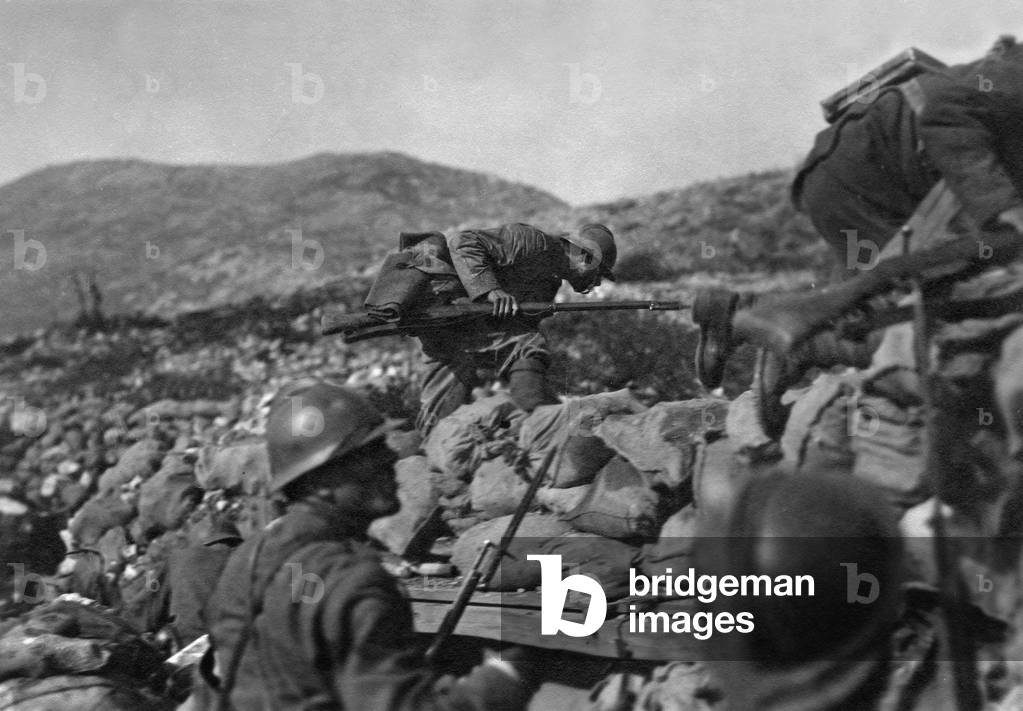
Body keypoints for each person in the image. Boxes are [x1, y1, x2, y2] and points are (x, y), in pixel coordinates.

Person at [195, 379, 537, 711]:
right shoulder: (354, 580)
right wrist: (500, 680)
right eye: (367, 453)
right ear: (320, 481)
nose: (388, 458)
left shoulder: (250, 557)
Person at [793, 35, 1023, 282]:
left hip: (887, 176)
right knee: (903, 296)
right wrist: (1005, 209)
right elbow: (947, 116)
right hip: (862, 175)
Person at [416, 222, 617, 435]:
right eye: (599, 274)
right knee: (529, 345)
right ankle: (536, 417)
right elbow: (463, 242)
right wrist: (490, 291)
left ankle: (432, 442)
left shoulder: (551, 280)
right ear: (585, 259)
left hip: (458, 331)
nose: (597, 284)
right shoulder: (534, 241)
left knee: (439, 418)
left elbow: (519, 324)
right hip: (450, 315)